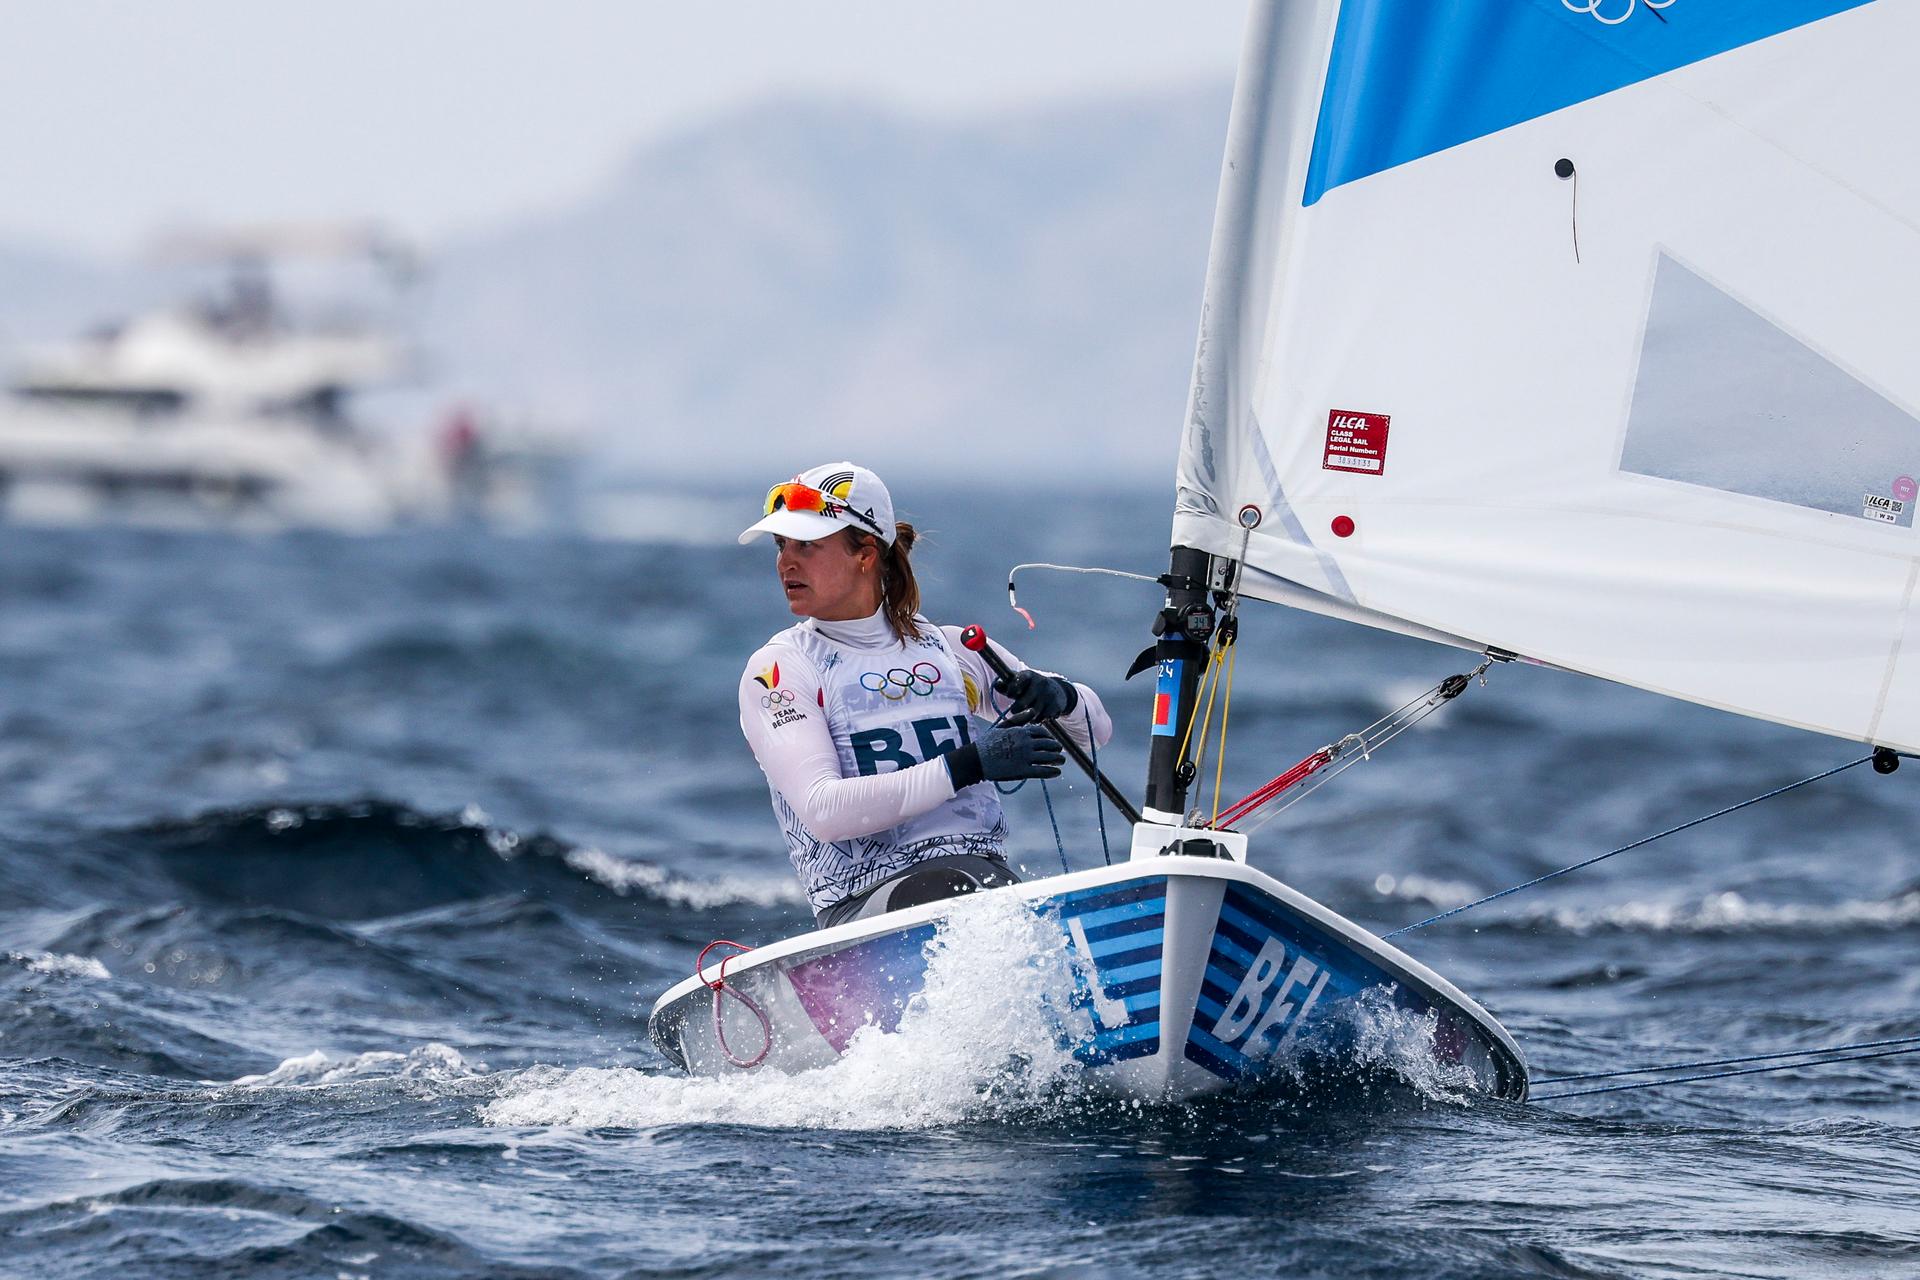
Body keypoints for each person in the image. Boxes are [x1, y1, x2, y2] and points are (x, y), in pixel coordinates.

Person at [737, 462, 1113, 927]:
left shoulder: (952, 651)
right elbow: (823, 810)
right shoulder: (781, 669)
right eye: (781, 546)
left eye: (807, 546)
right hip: (864, 905)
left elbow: (1097, 729)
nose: (786, 562)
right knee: (962, 893)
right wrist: (969, 765)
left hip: (981, 886)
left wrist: (1059, 696)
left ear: (866, 553)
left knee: (990, 894)